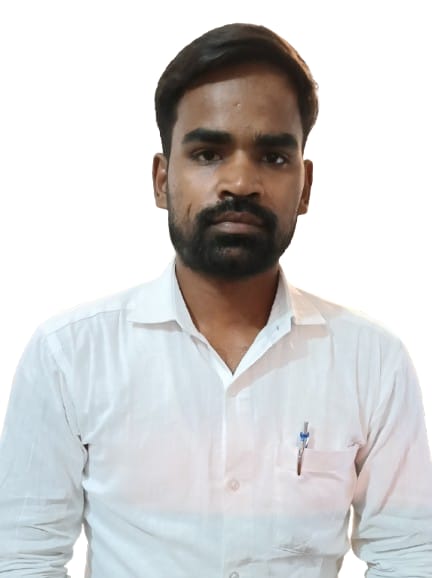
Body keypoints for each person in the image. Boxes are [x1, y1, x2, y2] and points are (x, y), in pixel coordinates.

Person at [0, 22, 431, 578]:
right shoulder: (70, 355)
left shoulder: (372, 362)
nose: (240, 182)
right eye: (208, 153)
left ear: (305, 187)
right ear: (161, 180)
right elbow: (24, 556)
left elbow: (407, 555)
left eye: (273, 157)